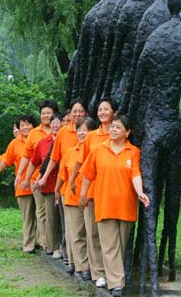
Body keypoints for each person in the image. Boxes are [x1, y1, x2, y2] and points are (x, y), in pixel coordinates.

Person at [80, 114, 149, 297]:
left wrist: (140, 192)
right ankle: (117, 283)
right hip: (104, 203)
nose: (113, 130)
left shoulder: (133, 151)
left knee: (120, 243)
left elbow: (135, 174)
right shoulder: (98, 149)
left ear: (127, 132)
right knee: (109, 244)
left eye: (118, 127)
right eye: (112, 127)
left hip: (126, 205)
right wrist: (83, 195)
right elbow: (87, 174)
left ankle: (107, 275)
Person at [70, 97, 118, 288]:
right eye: (100, 109)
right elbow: (81, 161)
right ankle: (98, 271)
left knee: (110, 235)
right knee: (93, 233)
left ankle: (112, 271)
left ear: (114, 112)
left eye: (106, 109)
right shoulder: (91, 136)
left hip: (112, 191)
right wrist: (73, 179)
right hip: (92, 191)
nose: (103, 112)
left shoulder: (117, 133)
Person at [38, 98, 87, 271]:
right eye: (75, 111)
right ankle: (71, 260)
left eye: (81, 111)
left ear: (86, 113)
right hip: (67, 185)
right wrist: (44, 178)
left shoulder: (90, 132)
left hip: (88, 187)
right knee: (70, 226)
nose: (77, 114)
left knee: (85, 229)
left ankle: (82, 263)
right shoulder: (63, 133)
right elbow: (54, 158)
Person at [0, 115, 38, 254]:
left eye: (28, 124)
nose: (26, 127)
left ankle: (41, 242)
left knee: (41, 216)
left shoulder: (40, 138)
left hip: (40, 184)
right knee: (28, 217)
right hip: (23, 185)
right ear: (19, 128)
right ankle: (29, 245)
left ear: (34, 125)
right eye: (22, 125)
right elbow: (5, 160)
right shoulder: (14, 144)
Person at [55, 117, 97, 281]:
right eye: (79, 129)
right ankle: (82, 267)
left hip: (92, 197)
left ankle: (94, 268)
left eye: (85, 130)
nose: (81, 133)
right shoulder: (71, 152)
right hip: (73, 198)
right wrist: (57, 190)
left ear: (92, 132)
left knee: (92, 234)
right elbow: (62, 175)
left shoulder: (97, 151)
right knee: (77, 233)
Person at [15, 99, 59, 249]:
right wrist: (20, 175)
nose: (45, 116)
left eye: (48, 113)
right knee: (42, 211)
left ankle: (54, 242)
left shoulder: (59, 129)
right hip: (37, 179)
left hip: (58, 178)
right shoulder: (34, 133)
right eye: (43, 113)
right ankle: (45, 242)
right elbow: (27, 157)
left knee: (54, 213)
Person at [20, 113, 62, 259]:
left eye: (59, 122)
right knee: (50, 218)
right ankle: (53, 246)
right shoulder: (43, 142)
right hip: (49, 186)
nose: (56, 125)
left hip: (65, 185)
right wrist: (25, 179)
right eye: (53, 122)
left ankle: (60, 247)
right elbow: (34, 161)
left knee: (61, 219)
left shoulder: (70, 140)